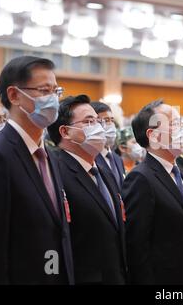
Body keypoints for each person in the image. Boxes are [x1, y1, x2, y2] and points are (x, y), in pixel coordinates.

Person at [0, 56, 74, 284]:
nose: (53, 99)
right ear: (14, 95)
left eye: (55, 91)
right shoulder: (0, 154)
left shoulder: (48, 153)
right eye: (44, 90)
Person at [122, 100, 183, 285]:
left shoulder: (182, 174)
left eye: (181, 122)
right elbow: (137, 247)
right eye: (174, 123)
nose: (182, 128)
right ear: (153, 135)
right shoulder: (140, 178)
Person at [47, 95, 127, 284]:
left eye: (97, 121)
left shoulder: (103, 169)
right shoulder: (56, 172)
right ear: (66, 132)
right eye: (89, 122)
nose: (98, 127)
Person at [91, 101, 125, 191]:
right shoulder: (91, 158)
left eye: (112, 120)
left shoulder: (118, 159)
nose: (111, 125)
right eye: (106, 120)